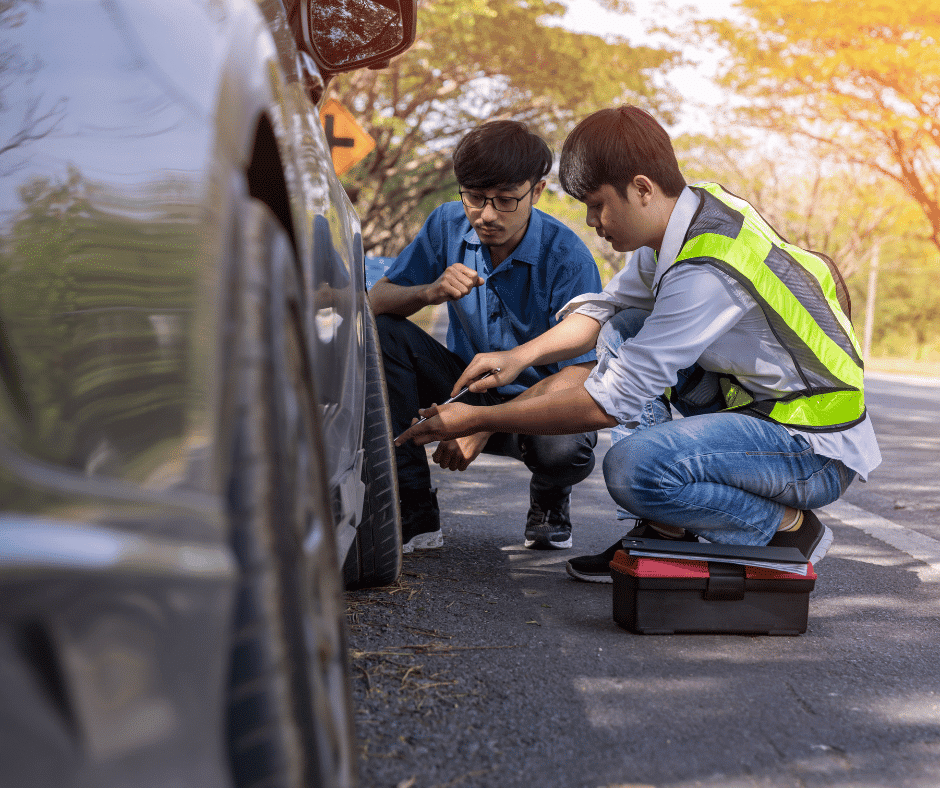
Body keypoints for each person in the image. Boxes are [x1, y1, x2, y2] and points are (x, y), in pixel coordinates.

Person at [394, 105, 881, 582]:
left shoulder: (705, 269)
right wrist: (519, 357)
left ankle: (787, 527)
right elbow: (602, 311)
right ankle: (662, 530)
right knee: (624, 324)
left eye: (597, 204)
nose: (591, 221)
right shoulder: (689, 214)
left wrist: (478, 417)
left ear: (641, 189)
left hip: (811, 447)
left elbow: (609, 404)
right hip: (760, 412)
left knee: (632, 469)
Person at [370, 120, 603, 553]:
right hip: (466, 387)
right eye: (475, 198)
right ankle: (413, 508)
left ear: (536, 191)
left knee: (564, 451)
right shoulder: (446, 223)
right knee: (384, 335)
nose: (487, 215)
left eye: (505, 200)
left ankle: (551, 498)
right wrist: (429, 290)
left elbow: (586, 372)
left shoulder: (568, 256)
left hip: (541, 405)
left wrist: (481, 423)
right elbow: (376, 301)